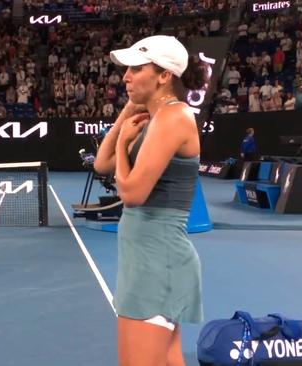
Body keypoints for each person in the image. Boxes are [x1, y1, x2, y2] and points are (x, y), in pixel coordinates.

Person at [93, 35, 208, 366]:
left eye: (136, 69)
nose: (126, 76)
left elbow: (131, 194)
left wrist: (122, 146)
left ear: (164, 76)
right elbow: (102, 165)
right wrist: (129, 109)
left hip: (158, 262)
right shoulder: (156, 117)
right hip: (148, 259)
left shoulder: (173, 118)